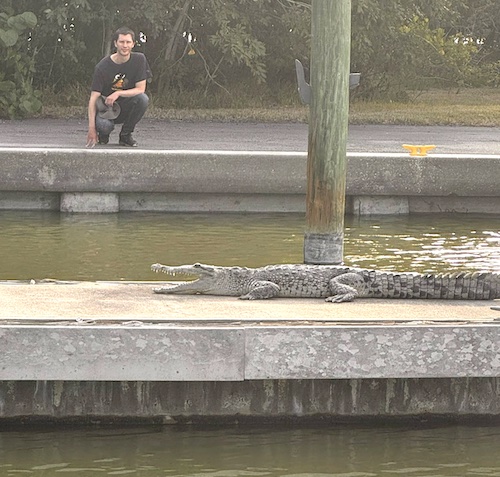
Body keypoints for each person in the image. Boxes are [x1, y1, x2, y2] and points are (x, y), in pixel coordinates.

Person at [86, 27, 152, 148]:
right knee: (104, 126)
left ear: (133, 44)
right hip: (106, 109)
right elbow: (93, 98)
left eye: (128, 42)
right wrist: (91, 128)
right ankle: (103, 134)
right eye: (121, 42)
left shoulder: (139, 60)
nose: (125, 45)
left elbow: (140, 89)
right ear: (115, 43)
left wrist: (118, 93)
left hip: (126, 106)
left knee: (143, 99)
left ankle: (125, 136)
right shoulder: (102, 67)